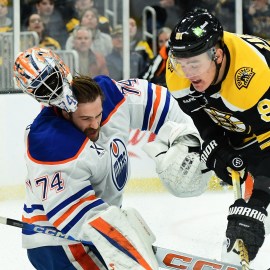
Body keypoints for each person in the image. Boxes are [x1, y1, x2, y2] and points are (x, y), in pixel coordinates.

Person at [13, 47, 209, 269]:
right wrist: (128, 250)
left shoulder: (110, 93)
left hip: (96, 225)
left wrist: (191, 140)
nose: (95, 124)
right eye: (85, 118)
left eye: (98, 116)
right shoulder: (50, 141)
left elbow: (162, 104)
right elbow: (79, 218)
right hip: (60, 243)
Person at [166, 9, 270, 264]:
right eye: (182, 63)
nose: (187, 72)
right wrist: (216, 145)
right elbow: (199, 113)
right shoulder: (178, 69)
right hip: (241, 124)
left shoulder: (252, 78)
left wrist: (258, 204)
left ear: (218, 55)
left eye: (195, 64)